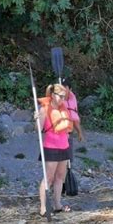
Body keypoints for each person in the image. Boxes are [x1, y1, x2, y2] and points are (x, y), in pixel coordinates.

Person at [36, 83, 72, 216]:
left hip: (64, 146)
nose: (63, 99)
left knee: (60, 177)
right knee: (49, 178)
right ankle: (43, 207)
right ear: (52, 95)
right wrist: (37, 119)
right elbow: (39, 129)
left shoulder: (64, 108)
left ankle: (57, 204)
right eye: (60, 96)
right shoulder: (44, 109)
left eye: (64, 96)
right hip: (51, 147)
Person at [62, 77, 84, 160]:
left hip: (68, 132)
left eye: (65, 87)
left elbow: (74, 118)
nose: (63, 90)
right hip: (58, 133)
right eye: (62, 87)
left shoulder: (71, 100)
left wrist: (79, 133)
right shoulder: (57, 100)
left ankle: (69, 171)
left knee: (68, 158)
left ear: (70, 89)